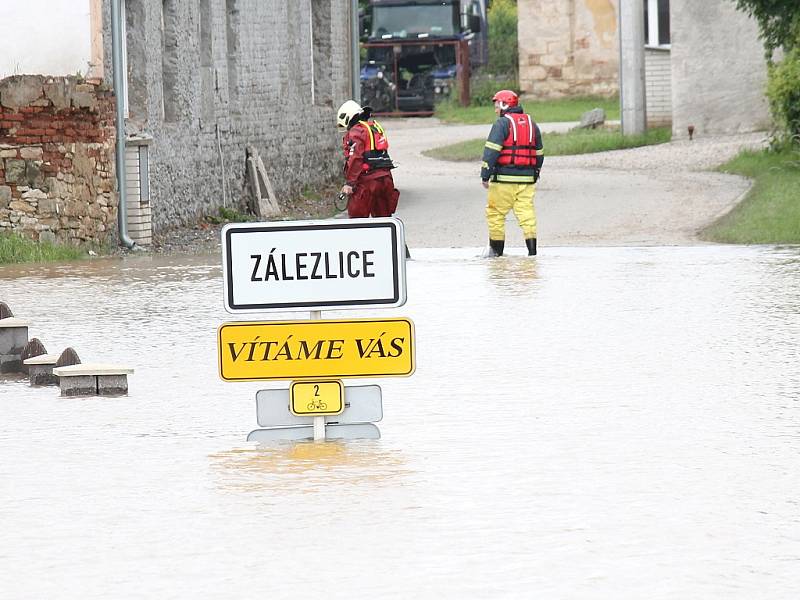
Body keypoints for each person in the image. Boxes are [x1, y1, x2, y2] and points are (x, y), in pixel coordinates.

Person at [480, 89, 544, 256]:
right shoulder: (532, 123)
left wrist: (485, 175)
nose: (495, 109)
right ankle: (532, 253)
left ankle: (496, 254)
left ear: (504, 105)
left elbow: (491, 151)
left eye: (496, 105)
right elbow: (539, 153)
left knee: (495, 214)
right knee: (527, 215)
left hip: (503, 181)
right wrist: (535, 173)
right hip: (527, 182)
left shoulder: (501, 124)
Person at [336, 100, 399, 219]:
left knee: (358, 222)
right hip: (385, 180)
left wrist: (350, 183)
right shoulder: (374, 128)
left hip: (367, 183)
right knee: (384, 222)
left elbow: (356, 158)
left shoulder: (356, 131)